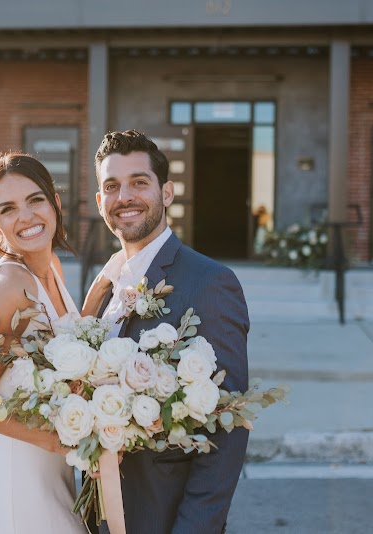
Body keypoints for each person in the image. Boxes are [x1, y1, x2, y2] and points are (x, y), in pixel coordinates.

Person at [87, 130, 250, 533]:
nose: (125, 196)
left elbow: (227, 431)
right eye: (112, 186)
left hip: (161, 517)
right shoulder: (105, 285)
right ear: (100, 201)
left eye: (139, 182)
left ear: (168, 192)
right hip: (99, 516)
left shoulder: (210, 282)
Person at [0, 153, 96, 534]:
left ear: (55, 203)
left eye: (35, 200)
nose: (27, 217)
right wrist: (52, 442)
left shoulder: (53, 269)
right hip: (20, 478)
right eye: (9, 209)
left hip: (58, 472)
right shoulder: (10, 288)